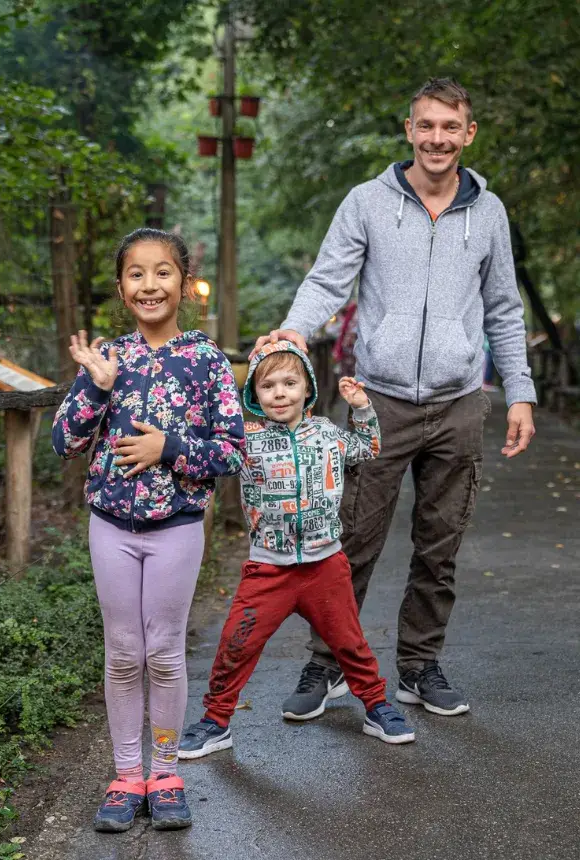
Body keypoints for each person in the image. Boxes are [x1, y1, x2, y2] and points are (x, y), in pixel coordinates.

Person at [254, 78, 537, 720]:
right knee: (350, 538)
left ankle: (419, 667)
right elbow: (328, 279)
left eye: (450, 127)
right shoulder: (367, 203)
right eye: (425, 125)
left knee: (440, 546)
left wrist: (519, 391)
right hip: (374, 402)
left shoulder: (488, 214)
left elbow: (503, 309)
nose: (437, 138)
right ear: (409, 130)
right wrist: (296, 330)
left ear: (469, 134)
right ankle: (327, 665)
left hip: (459, 402)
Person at [52, 227, 245, 832]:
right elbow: (65, 441)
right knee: (122, 653)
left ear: (184, 284)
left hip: (176, 529)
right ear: (121, 287)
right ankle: (125, 774)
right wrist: (93, 384)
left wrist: (169, 447)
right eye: (136, 273)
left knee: (162, 652)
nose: (149, 284)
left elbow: (234, 451)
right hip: (111, 526)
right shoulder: (108, 357)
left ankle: (165, 773)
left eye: (163, 272)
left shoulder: (206, 360)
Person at [178, 341, 415, 759]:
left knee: (350, 643)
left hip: (325, 565)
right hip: (268, 570)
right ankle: (215, 722)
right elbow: (207, 453)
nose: (280, 393)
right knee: (237, 643)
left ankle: (378, 707)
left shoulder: (326, 433)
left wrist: (361, 408)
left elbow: (368, 448)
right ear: (254, 394)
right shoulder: (245, 439)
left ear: (307, 388)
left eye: (291, 383)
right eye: (268, 386)